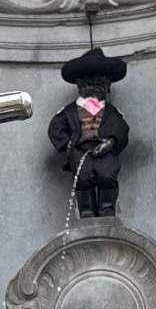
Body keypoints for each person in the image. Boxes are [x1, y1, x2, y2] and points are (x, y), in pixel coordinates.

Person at [47, 46, 130, 218]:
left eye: (100, 83)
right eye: (90, 83)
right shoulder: (69, 111)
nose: (95, 87)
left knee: (107, 176)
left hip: (104, 150)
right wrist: (68, 146)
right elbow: (55, 128)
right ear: (81, 85)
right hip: (80, 149)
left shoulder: (110, 111)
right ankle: (86, 210)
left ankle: (107, 208)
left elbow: (122, 128)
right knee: (83, 179)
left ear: (107, 86)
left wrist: (112, 142)